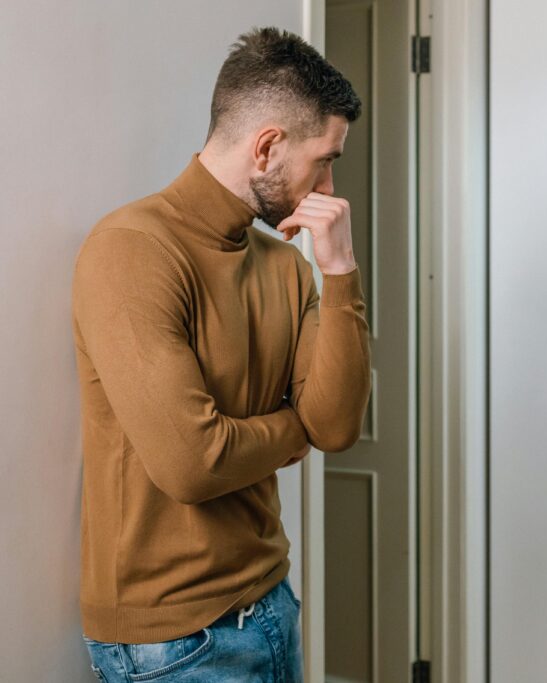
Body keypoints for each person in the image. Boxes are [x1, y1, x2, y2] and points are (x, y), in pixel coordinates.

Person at [72, 27, 370, 682]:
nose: (328, 186)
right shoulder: (132, 248)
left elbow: (339, 425)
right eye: (324, 160)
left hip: (271, 604)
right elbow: (192, 461)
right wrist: (293, 430)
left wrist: (340, 267)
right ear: (267, 146)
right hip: (177, 642)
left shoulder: (284, 266)